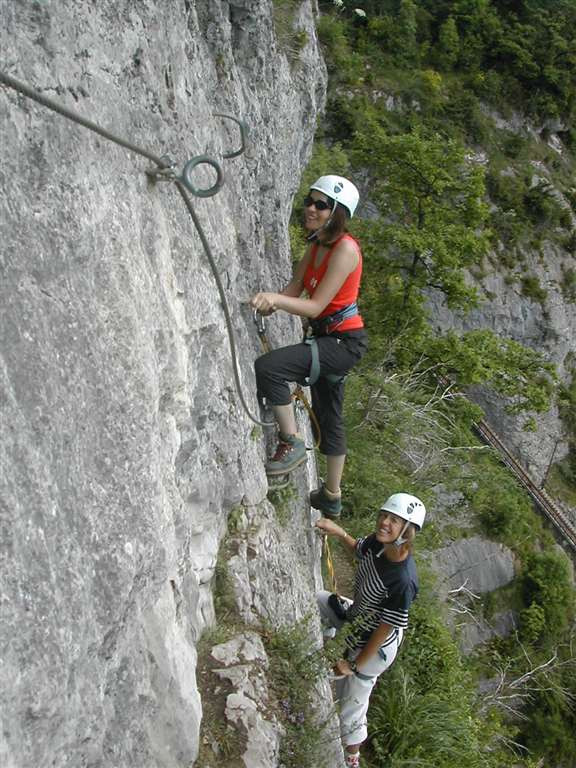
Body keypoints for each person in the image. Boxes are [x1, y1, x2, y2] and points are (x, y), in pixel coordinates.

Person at [250, 175, 367, 517]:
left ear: (337, 213)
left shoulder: (346, 249)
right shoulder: (316, 245)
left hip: (343, 342)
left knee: (269, 368)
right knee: (329, 418)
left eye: (321, 204)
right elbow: (292, 292)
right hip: (329, 339)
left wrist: (278, 301)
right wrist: (269, 301)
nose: (311, 209)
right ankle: (331, 495)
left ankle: (292, 441)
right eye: (309, 201)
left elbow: (315, 306)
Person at [315, 493, 426, 768]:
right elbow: (359, 550)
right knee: (317, 601)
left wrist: (354, 664)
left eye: (394, 520)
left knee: (350, 705)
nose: (384, 523)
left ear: (407, 531)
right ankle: (328, 638)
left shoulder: (403, 581)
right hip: (358, 616)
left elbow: (386, 627)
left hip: (376, 645)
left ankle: (352, 757)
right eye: (384, 515)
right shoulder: (378, 544)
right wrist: (339, 532)